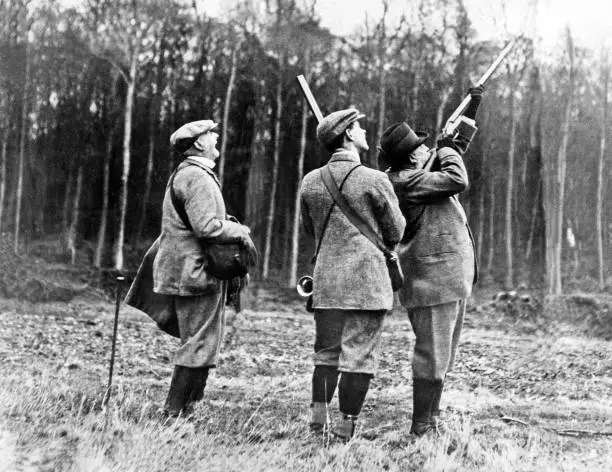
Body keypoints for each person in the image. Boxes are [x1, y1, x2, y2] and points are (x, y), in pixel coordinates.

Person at [378, 86, 483, 436]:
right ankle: (423, 425)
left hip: (444, 277)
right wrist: (448, 148)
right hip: (431, 278)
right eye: (420, 149)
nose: (427, 150)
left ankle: (431, 419)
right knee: (432, 355)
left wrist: (470, 111)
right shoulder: (406, 181)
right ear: (410, 159)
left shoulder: (413, 174)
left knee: (442, 356)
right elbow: (456, 176)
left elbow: (455, 152)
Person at [299, 108, 406, 440]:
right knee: (358, 357)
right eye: (359, 127)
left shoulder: (310, 180)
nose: (364, 132)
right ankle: (345, 432)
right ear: (347, 135)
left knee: (326, 355)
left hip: (327, 283)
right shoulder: (374, 179)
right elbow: (396, 231)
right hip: (366, 284)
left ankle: (318, 426)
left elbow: (309, 228)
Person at [153, 119, 255, 417]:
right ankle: (175, 412)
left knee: (202, 342)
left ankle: (186, 410)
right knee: (198, 343)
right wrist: (240, 231)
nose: (216, 137)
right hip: (196, 273)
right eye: (211, 134)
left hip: (189, 270)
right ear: (198, 143)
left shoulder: (189, 174)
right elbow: (207, 228)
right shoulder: (197, 177)